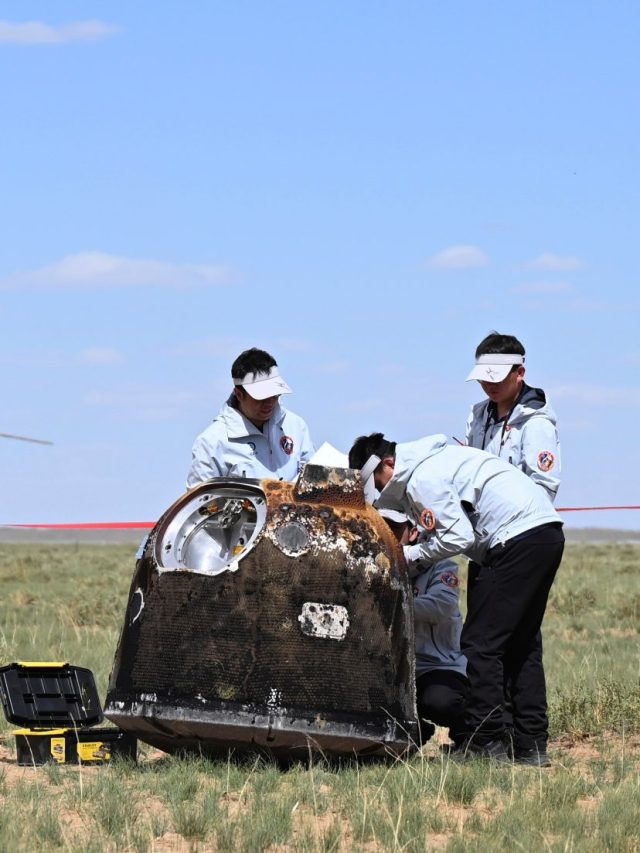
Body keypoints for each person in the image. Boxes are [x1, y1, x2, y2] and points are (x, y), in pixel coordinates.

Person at [349, 432, 564, 766]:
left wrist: (408, 556)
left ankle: (487, 743)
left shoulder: (422, 478)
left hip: (513, 538)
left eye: (376, 483)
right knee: (522, 644)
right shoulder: (438, 461)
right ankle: (530, 743)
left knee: (481, 644)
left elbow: (458, 536)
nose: (378, 493)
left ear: (388, 464)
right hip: (544, 532)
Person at [379, 508, 468, 746]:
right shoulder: (374, 567)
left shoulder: (440, 565)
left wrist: (391, 603)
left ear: (413, 533)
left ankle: (473, 733)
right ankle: (415, 732)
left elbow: (441, 606)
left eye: (395, 529)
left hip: (436, 666)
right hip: (391, 670)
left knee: (440, 703)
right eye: (382, 527)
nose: (387, 534)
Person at [187, 348, 314, 486]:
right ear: (239, 394)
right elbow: (202, 502)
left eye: (275, 394)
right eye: (262, 397)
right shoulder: (212, 442)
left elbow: (315, 481)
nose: (270, 402)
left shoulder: (296, 426)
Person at [465, 331, 560, 502]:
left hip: (521, 525)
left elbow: (544, 490)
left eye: (496, 378)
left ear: (520, 373)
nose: (488, 385)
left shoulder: (537, 423)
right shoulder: (476, 418)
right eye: (482, 379)